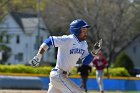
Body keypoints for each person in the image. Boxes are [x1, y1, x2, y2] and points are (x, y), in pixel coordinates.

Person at [29, 19, 102, 93]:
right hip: (58, 75)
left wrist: (94, 52)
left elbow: (85, 61)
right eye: (83, 31)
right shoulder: (68, 39)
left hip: (63, 76)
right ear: (76, 30)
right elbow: (49, 41)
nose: (86, 33)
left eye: (86, 31)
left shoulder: (84, 44)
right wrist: (38, 56)